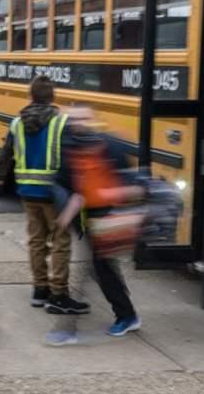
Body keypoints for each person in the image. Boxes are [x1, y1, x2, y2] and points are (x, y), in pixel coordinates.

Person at [0, 76, 89, 315]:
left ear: (31, 96)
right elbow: (72, 157)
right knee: (60, 243)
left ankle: (39, 289)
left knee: (36, 241)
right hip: (54, 194)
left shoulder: (17, 123)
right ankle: (59, 294)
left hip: (27, 192)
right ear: (52, 96)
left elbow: (5, 154)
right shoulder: (61, 122)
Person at [54, 106, 142, 338]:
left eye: (83, 118)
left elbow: (128, 183)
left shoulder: (110, 146)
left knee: (100, 268)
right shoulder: (70, 147)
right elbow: (72, 187)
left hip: (107, 218)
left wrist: (110, 196)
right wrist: (65, 217)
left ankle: (125, 315)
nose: (78, 122)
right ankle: (124, 312)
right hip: (88, 219)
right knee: (101, 269)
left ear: (93, 119)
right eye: (74, 119)